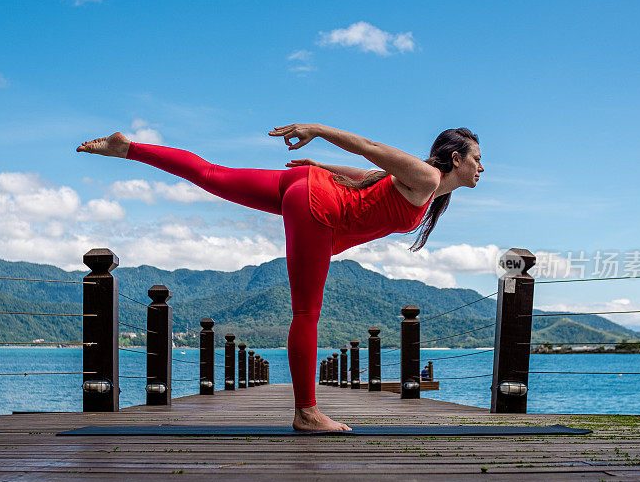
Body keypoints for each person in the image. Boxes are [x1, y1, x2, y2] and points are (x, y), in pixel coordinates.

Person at [77, 123, 483, 431]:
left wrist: (320, 164)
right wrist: (317, 132)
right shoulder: (429, 178)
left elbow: (366, 176)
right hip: (318, 206)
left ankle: (128, 148)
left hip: (306, 185)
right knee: (306, 313)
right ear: (456, 159)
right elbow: (372, 150)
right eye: (477, 158)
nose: (481, 166)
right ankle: (306, 412)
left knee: (212, 174)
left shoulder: (425, 188)